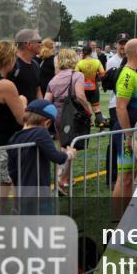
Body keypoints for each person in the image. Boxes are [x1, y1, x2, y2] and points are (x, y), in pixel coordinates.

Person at [7, 100, 75, 212]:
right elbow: (56, 157)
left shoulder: (14, 137)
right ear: (47, 123)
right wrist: (69, 154)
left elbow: (12, 170)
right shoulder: (41, 133)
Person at [0, 41, 28, 193]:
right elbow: (22, 118)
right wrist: (23, 100)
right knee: (2, 185)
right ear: (9, 60)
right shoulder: (5, 85)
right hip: (2, 143)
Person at [46, 49, 93, 194]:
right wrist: (88, 111)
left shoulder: (54, 79)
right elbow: (80, 95)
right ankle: (62, 180)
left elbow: (46, 101)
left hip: (57, 113)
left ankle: (61, 178)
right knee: (73, 146)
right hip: (72, 114)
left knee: (62, 146)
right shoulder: (77, 75)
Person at [113, 39, 137, 218]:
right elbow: (120, 107)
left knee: (130, 176)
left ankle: (127, 218)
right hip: (127, 132)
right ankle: (117, 220)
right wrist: (128, 135)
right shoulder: (127, 74)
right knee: (124, 177)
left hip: (135, 132)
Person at [102, 34, 128, 189]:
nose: (123, 46)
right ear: (116, 44)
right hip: (115, 104)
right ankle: (111, 177)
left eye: (125, 43)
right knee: (114, 141)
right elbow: (109, 83)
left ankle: (124, 174)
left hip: (127, 104)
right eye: (121, 43)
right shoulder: (112, 60)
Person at [76, 45, 106, 127]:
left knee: (83, 107)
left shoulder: (80, 63)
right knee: (96, 108)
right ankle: (101, 126)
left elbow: (76, 75)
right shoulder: (97, 62)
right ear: (91, 52)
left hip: (82, 88)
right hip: (94, 87)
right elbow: (103, 74)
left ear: (83, 52)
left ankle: (86, 125)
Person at [9, 29, 43, 103]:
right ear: (28, 44)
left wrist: (42, 108)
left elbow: (37, 90)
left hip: (32, 113)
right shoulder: (11, 64)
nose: (42, 44)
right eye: (39, 42)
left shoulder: (35, 64)